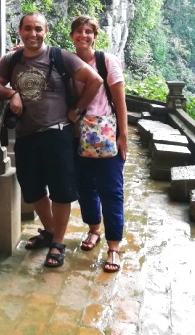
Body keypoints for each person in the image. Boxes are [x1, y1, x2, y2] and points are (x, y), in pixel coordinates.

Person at [0, 12, 103, 268]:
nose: (33, 34)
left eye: (38, 29)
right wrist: (11, 93)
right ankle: (50, 231)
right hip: (26, 135)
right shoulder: (13, 59)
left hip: (57, 133)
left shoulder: (60, 56)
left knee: (61, 191)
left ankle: (58, 243)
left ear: (46, 31)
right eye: (28, 28)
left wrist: (77, 110)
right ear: (20, 31)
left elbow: (94, 80)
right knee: (33, 189)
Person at [69, 15, 128, 273]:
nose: (83, 35)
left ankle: (114, 247)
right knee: (84, 187)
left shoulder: (107, 62)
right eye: (78, 31)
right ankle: (94, 230)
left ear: (95, 36)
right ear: (72, 36)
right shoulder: (68, 62)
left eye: (88, 31)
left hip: (106, 136)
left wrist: (123, 135)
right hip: (78, 135)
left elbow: (120, 101)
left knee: (111, 191)